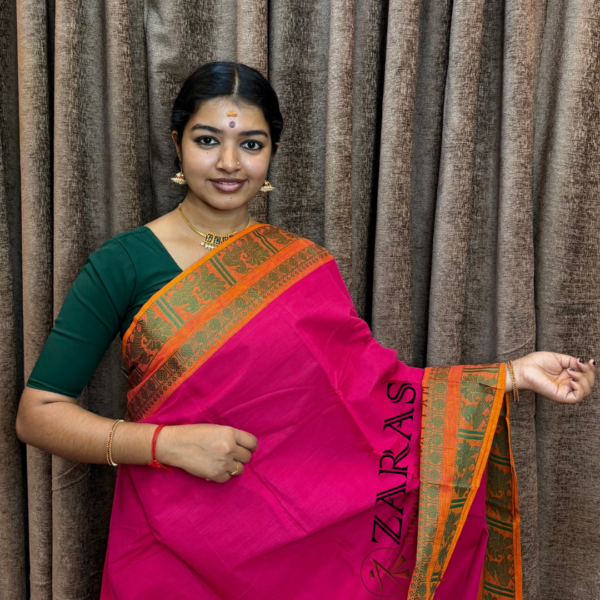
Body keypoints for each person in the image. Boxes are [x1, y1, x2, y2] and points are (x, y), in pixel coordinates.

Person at [16, 62, 596, 600]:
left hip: (305, 560)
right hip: (168, 551)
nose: (228, 163)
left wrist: (510, 376)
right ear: (177, 144)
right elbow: (38, 412)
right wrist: (166, 444)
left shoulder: (302, 263)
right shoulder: (124, 263)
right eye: (207, 139)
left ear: (271, 153)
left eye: (251, 144)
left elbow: (375, 396)